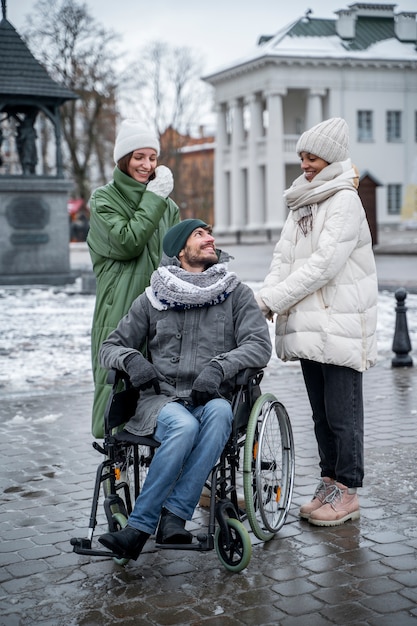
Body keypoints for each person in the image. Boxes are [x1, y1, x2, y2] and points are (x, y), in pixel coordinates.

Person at [98, 219, 272, 561]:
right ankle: (140, 526)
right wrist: (133, 360)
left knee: (220, 414)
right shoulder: (153, 298)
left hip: (213, 397)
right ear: (180, 251)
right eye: (199, 235)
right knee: (183, 425)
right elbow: (109, 347)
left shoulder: (235, 293)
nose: (211, 239)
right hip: (161, 400)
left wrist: (221, 366)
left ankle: (173, 517)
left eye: (210, 233)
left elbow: (259, 345)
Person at [256, 117, 378, 527]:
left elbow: (323, 265)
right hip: (311, 324)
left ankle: (348, 490)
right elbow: (283, 259)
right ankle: (329, 481)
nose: (306, 164)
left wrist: (274, 298)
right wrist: (264, 297)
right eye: (303, 157)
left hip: (339, 322)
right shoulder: (304, 201)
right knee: (322, 415)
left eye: (313, 157)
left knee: (344, 415)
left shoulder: (343, 200)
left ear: (332, 158)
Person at [87, 119, 180, 438]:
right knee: (118, 391)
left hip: (163, 313)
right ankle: (118, 470)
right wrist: (153, 198)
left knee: (163, 390)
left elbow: (178, 257)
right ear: (124, 159)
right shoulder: (103, 200)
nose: (147, 164)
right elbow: (127, 242)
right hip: (121, 310)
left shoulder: (169, 206)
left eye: (152, 157)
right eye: (139, 157)